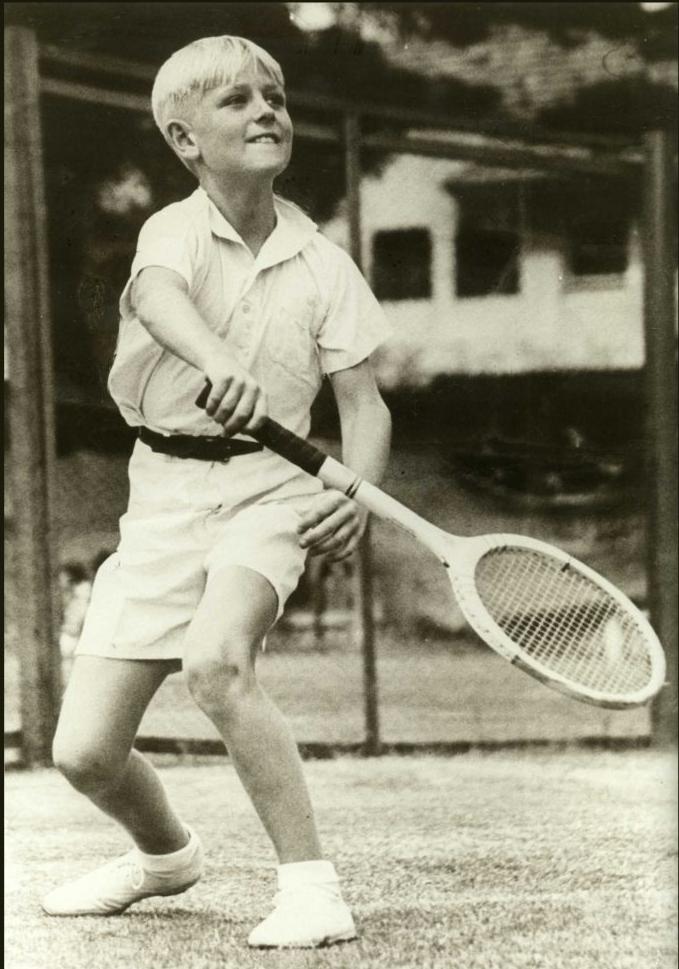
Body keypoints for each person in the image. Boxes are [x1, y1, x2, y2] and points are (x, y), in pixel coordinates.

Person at [42, 35, 392, 949]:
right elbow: (160, 300)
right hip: (160, 493)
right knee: (83, 752)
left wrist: (357, 491)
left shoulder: (326, 265)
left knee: (216, 663)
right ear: (184, 139)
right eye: (236, 100)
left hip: (270, 492)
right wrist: (218, 359)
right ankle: (165, 857)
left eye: (274, 96)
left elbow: (364, 403)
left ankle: (312, 888)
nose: (266, 109)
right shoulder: (172, 232)